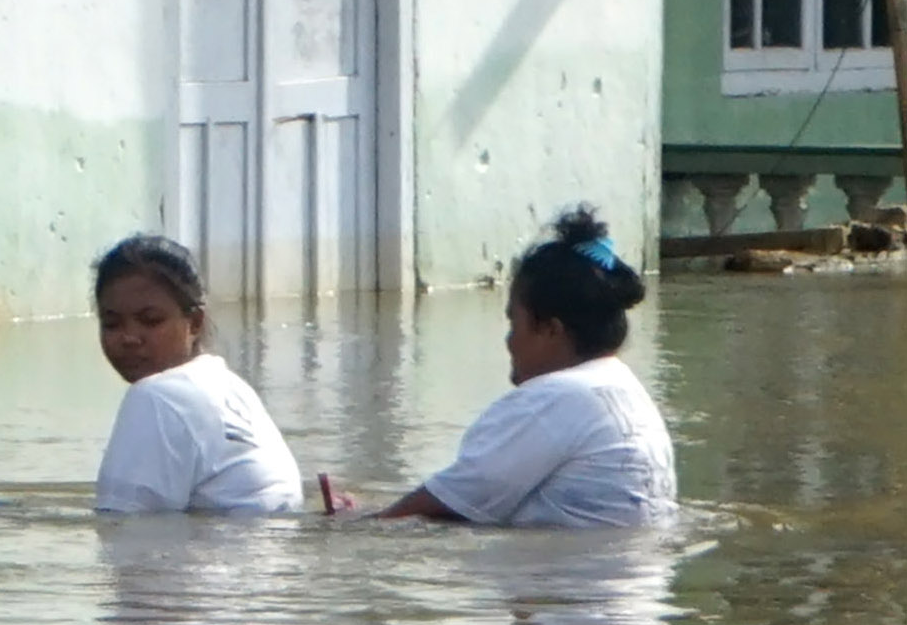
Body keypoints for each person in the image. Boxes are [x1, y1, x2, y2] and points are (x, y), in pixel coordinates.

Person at [325, 208, 677, 527]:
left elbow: (448, 502)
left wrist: (356, 525)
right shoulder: (628, 390)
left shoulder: (554, 398)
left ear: (550, 330)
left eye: (515, 324)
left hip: (573, 592)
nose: (508, 342)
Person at [87, 232, 303, 515]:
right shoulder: (230, 386)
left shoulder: (156, 397)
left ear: (195, 322)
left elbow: (122, 529)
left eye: (150, 321)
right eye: (112, 324)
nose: (129, 338)